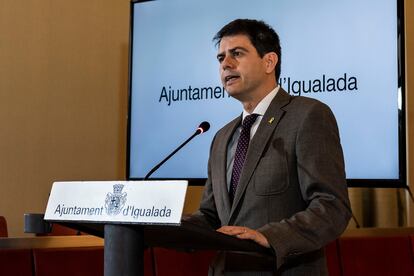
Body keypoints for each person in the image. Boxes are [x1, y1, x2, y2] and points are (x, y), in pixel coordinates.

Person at [188, 19, 351, 275]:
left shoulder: (308, 115)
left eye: (237, 54)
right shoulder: (221, 137)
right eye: (221, 58)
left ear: (269, 62)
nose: (225, 64)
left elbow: (332, 207)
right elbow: (210, 216)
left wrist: (269, 237)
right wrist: (164, 225)